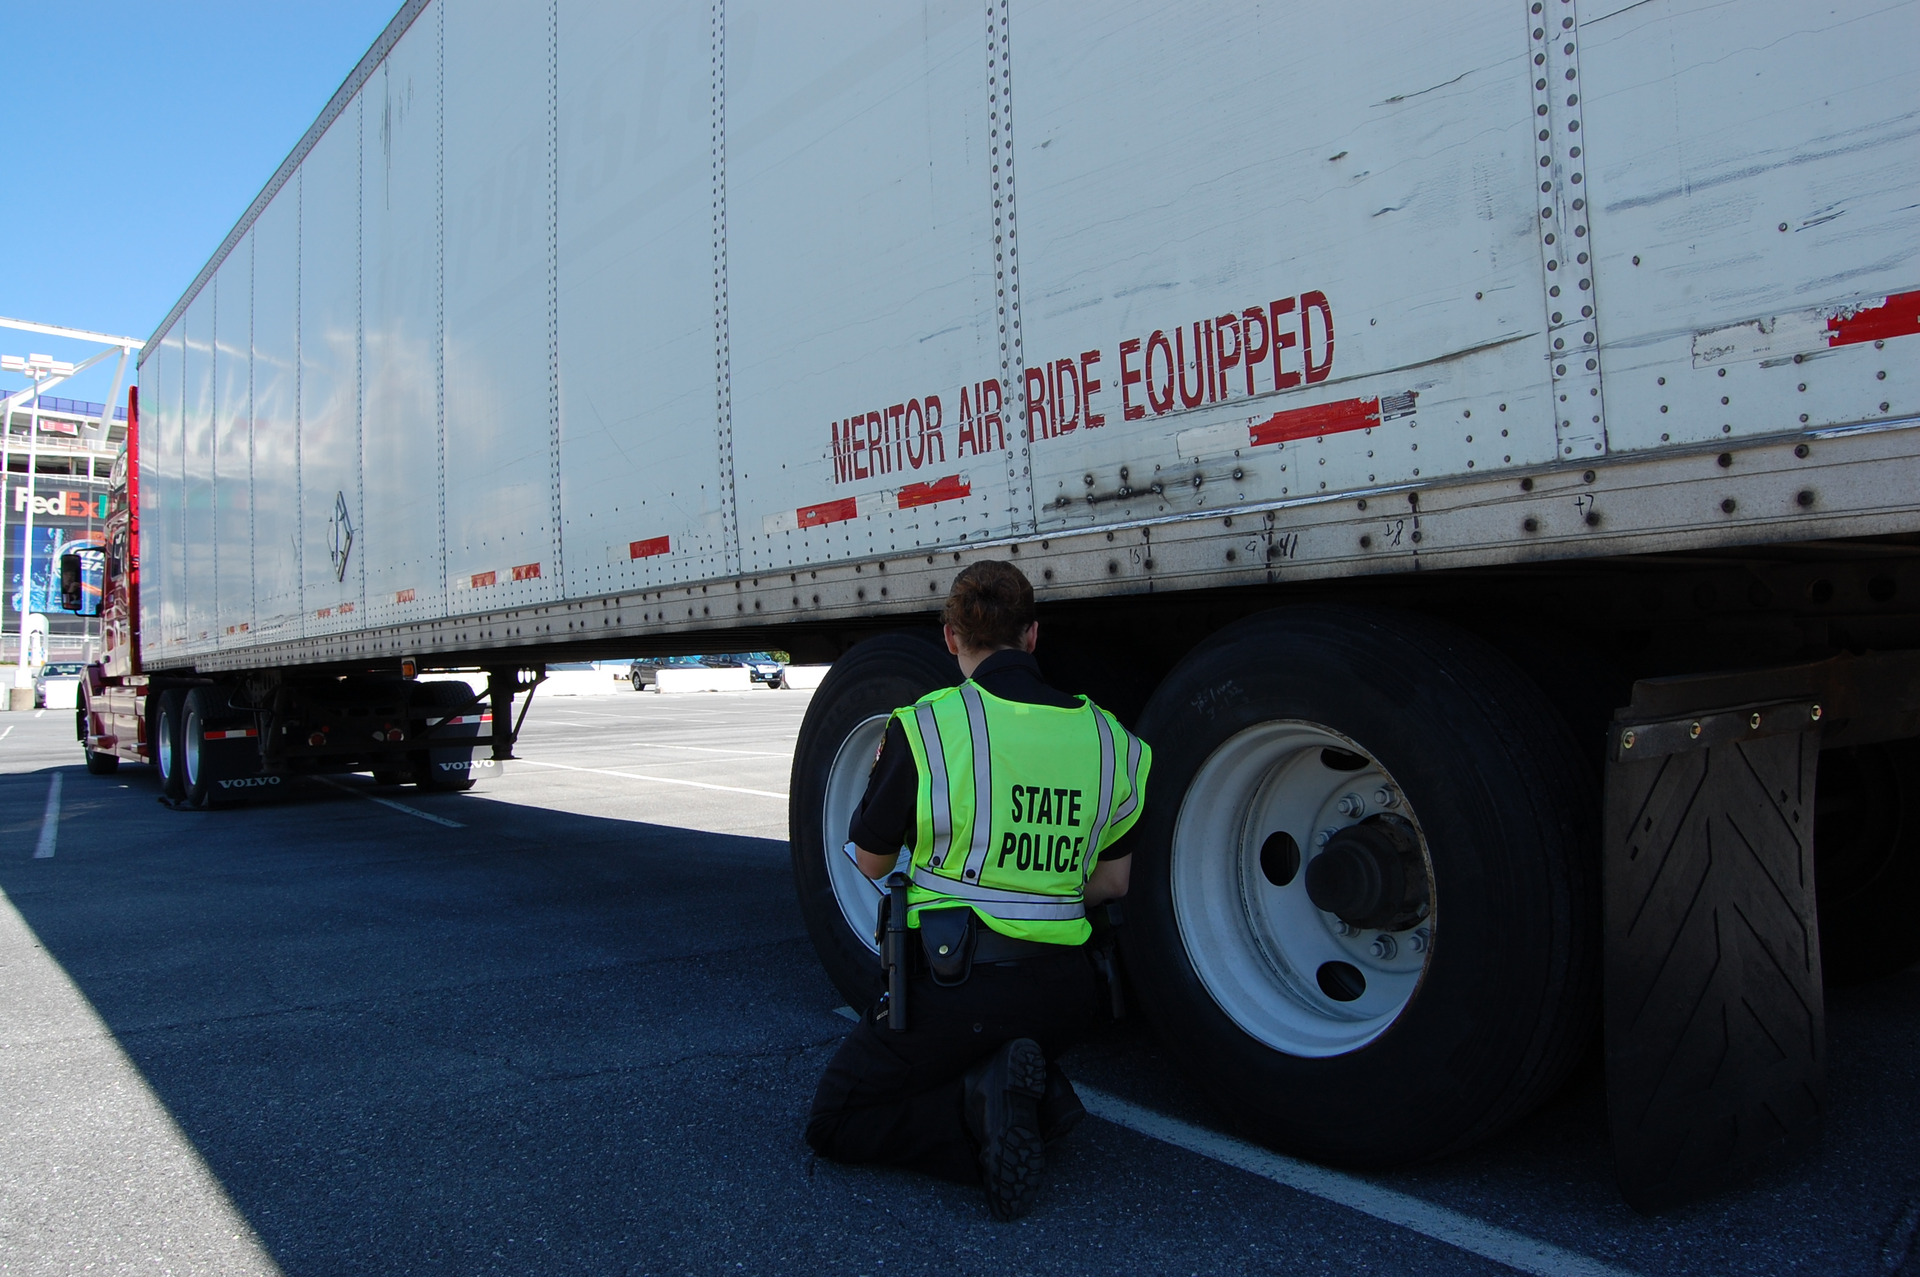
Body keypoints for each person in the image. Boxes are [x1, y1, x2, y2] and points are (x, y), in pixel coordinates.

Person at [804, 560, 1150, 1220]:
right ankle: (1030, 1090)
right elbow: (1112, 882)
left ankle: (981, 1108)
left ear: (950, 637)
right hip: (1068, 995)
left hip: (957, 983)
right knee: (983, 1037)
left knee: (837, 1118)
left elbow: (872, 862)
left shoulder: (929, 726)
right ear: (1033, 635)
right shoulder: (1111, 739)